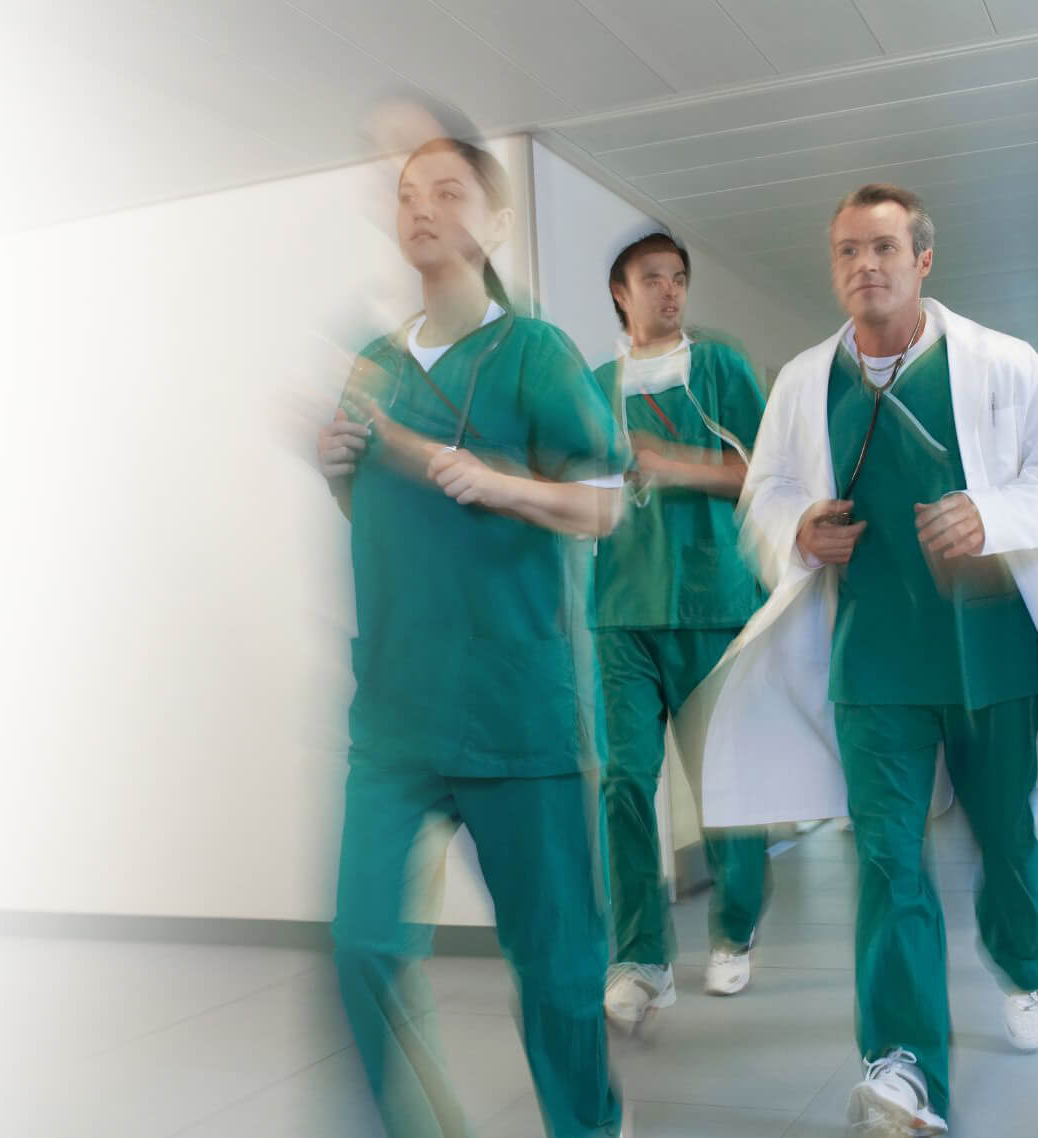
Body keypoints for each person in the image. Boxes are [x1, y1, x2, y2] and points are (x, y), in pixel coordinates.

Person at [678, 183, 1038, 1137]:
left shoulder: (1005, 364)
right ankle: (903, 1065)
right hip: (871, 662)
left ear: (923, 259)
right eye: (846, 250)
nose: (863, 265)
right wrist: (798, 528)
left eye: (883, 247)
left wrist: (992, 514)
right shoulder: (806, 381)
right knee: (888, 860)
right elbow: (764, 493)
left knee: (1010, 842)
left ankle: (1027, 966)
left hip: (992, 652)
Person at [316, 136, 628, 1138]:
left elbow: (604, 503)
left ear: (492, 222)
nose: (421, 207)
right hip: (396, 714)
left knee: (558, 967)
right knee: (363, 944)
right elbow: (379, 517)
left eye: (447, 190)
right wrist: (337, 470)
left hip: (518, 713)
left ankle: (588, 1125)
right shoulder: (373, 366)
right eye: (408, 193)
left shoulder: (535, 353)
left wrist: (497, 482)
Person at [590, 232, 770, 1033]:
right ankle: (640, 959)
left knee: (726, 779)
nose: (670, 290)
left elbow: (767, 475)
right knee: (625, 782)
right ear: (620, 293)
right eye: (652, 278)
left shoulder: (720, 369)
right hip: (621, 611)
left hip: (712, 602)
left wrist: (669, 462)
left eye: (679, 278)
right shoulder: (594, 388)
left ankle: (734, 928)